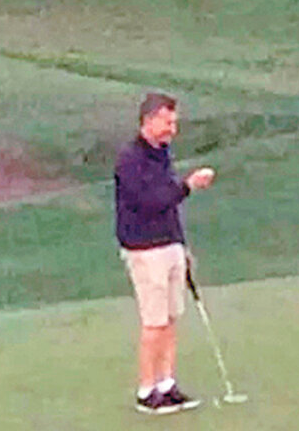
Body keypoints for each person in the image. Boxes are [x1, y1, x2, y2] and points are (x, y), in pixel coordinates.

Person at [115, 92, 216, 415]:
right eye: (168, 121)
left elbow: (169, 208)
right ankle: (147, 391)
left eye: (175, 121)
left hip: (168, 244)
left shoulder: (162, 154)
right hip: (145, 248)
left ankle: (167, 385)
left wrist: (182, 247)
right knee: (154, 321)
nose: (173, 127)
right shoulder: (131, 159)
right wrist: (188, 186)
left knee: (171, 318)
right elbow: (151, 202)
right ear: (149, 120)